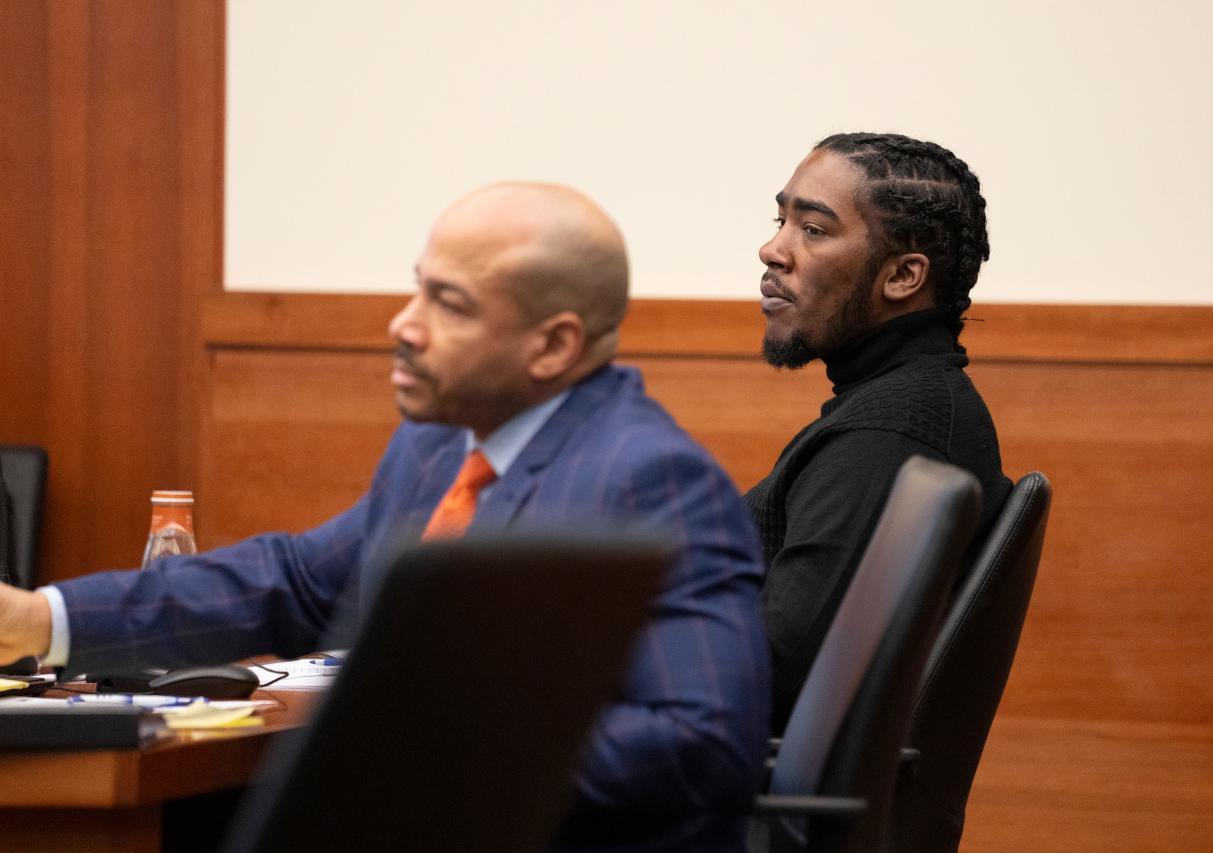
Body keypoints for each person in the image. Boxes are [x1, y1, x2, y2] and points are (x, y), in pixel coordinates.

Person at [0, 183, 770, 851]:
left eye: (449, 303)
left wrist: (420, 747)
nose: (404, 323)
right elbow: (296, 579)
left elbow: (703, 745)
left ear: (553, 344)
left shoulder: (648, 476)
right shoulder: (439, 443)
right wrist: (44, 618)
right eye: (418, 288)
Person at [749, 133, 1013, 731]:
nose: (771, 250)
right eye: (780, 220)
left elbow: (770, 673)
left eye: (812, 230)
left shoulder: (889, 436)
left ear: (902, 276)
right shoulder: (893, 408)